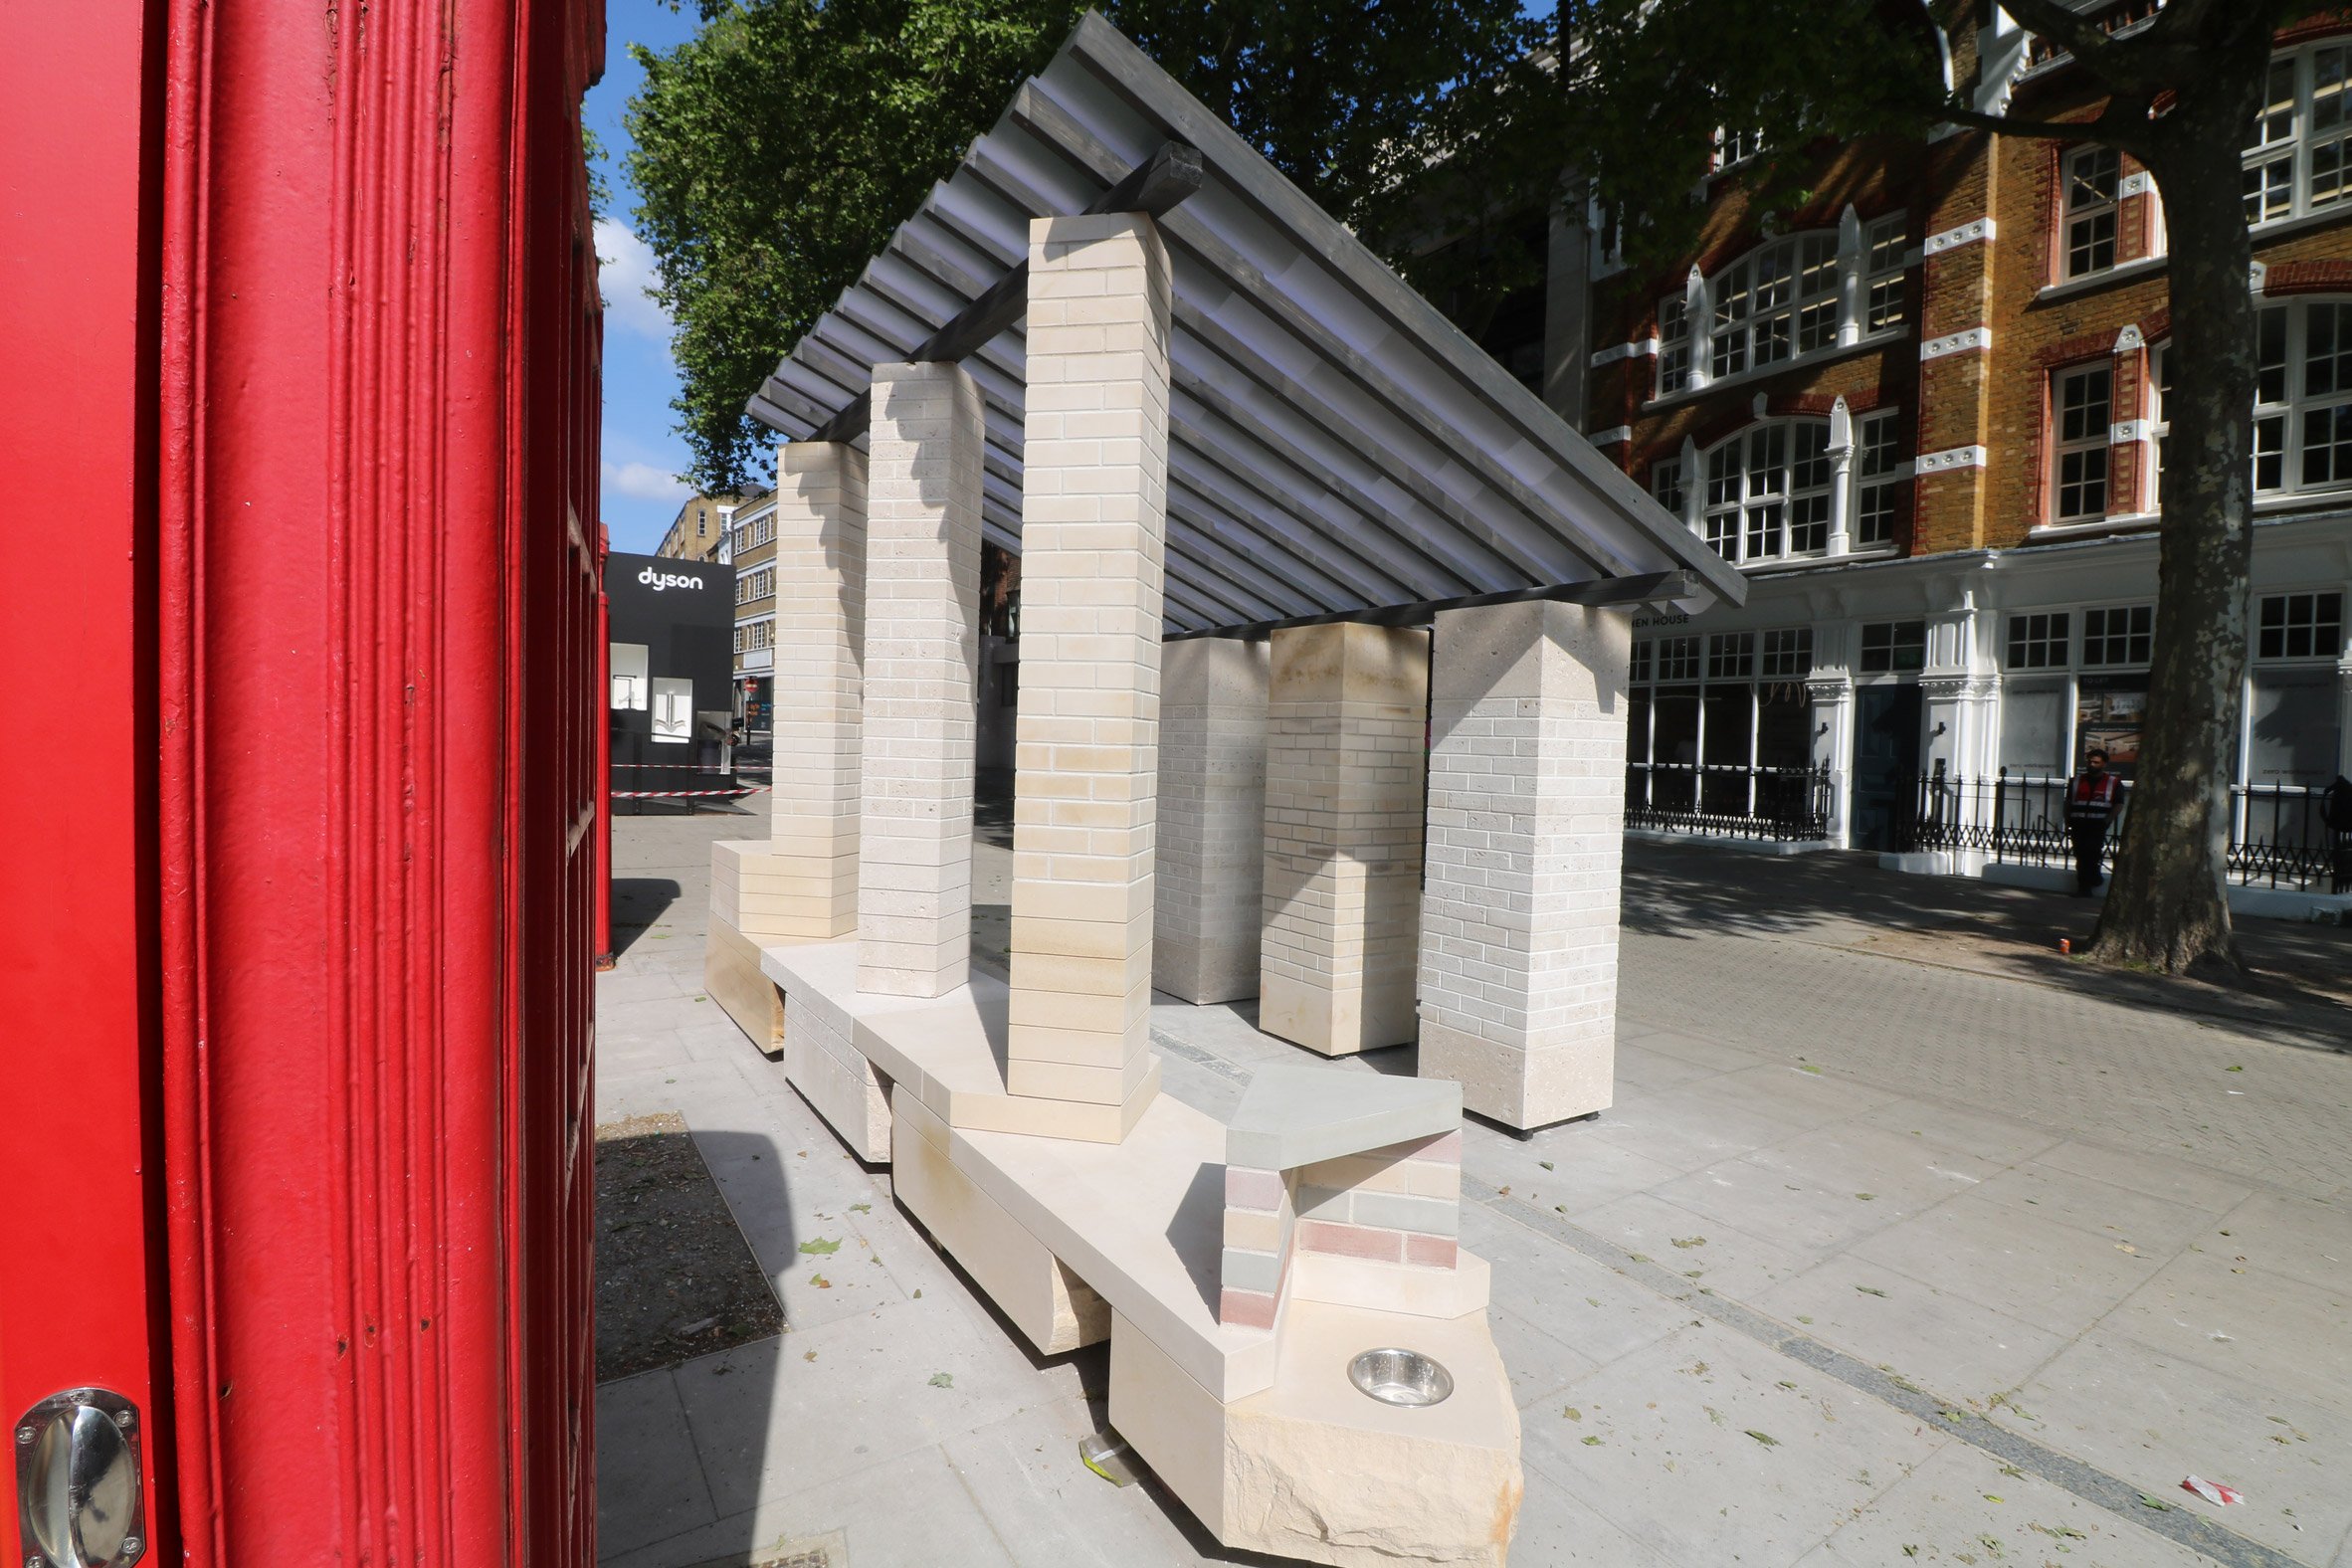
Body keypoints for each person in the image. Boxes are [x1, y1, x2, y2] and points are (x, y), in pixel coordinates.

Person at [2064, 747, 2123, 895]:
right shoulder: (2076, 781)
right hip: (2078, 824)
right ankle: (2088, 883)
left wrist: (2107, 820)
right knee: (2080, 855)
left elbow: (2119, 804)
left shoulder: (2113, 782)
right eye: (2090, 762)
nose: (2092, 765)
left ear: (2104, 764)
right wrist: (2067, 820)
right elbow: (2068, 802)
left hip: (2097, 825)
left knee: (2091, 854)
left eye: (2096, 762)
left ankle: (2087, 885)